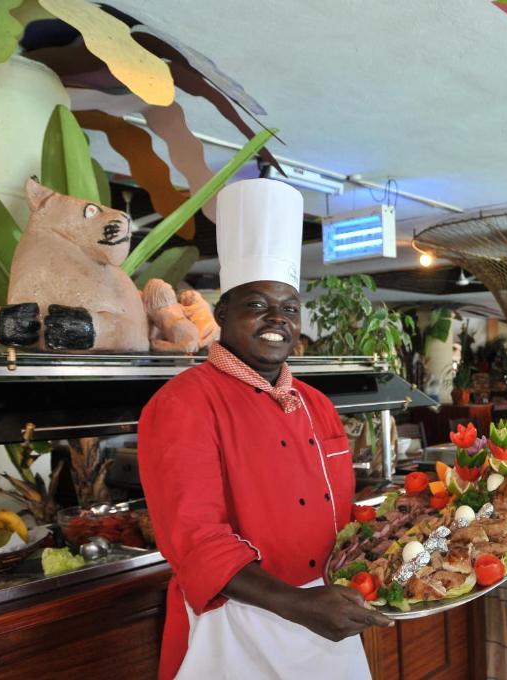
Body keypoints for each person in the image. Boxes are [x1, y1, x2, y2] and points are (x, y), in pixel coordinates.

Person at [138, 178, 391, 680]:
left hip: (329, 613)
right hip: (236, 625)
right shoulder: (182, 404)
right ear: (223, 313)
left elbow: (336, 511)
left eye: (290, 308)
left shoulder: (316, 404)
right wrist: (300, 606)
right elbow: (196, 540)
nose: (278, 318)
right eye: (257, 305)